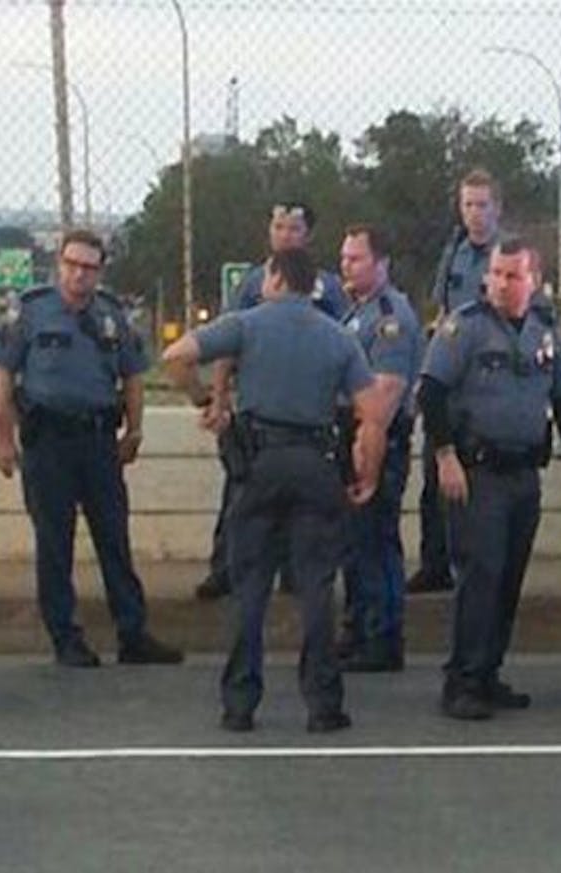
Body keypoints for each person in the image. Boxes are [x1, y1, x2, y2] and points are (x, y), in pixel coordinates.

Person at [162, 249, 392, 734]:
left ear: (273, 278)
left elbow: (176, 357)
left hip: (258, 465)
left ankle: (240, 703)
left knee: (250, 588)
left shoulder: (246, 324)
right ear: (310, 286)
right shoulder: (338, 337)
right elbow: (372, 414)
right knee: (315, 587)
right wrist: (367, 473)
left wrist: (205, 400)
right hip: (315, 465)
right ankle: (323, 704)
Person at [0, 230, 184, 668]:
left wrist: (134, 431)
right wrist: (3, 438)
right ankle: (66, 637)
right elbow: (3, 376)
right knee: (54, 543)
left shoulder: (112, 316)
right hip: (47, 442)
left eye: (89, 267)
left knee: (114, 537)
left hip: (98, 441)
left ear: (100, 271)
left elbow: (132, 377)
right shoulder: (33, 311)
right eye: (72, 264)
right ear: (59, 264)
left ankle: (132, 632)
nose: (79, 274)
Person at [417, 237, 561, 721]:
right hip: (478, 474)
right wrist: (445, 455)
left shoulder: (544, 332)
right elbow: (431, 393)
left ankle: (488, 671)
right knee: (481, 575)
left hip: (522, 475)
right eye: (495, 273)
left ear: (533, 281)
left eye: (512, 275)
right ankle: (463, 680)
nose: (500, 283)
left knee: (508, 579)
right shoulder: (466, 328)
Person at [197, 201, 350, 601]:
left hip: (311, 415)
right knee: (240, 493)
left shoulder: (328, 287)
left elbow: (347, 346)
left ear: (308, 235)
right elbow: (226, 346)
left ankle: (296, 574)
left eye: (294, 228)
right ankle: (226, 568)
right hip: (257, 414)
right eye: (278, 227)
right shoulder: (252, 284)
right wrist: (218, 398)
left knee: (303, 509)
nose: (285, 235)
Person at [409, 170, 504, 595]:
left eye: (482, 205)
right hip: (451, 373)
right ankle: (435, 564)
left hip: (488, 377)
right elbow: (442, 307)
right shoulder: (456, 252)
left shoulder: (508, 257)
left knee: (482, 482)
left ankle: (478, 566)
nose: (475, 214)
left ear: (496, 209)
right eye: (468, 205)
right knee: (436, 473)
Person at [335, 225, 423, 673]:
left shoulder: (390, 319)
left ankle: (382, 636)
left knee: (374, 541)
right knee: (355, 543)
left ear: (381, 264)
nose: (346, 265)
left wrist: (365, 456)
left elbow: (385, 397)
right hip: (352, 436)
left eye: (356, 258)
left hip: (375, 440)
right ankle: (358, 627)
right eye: (345, 257)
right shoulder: (357, 312)